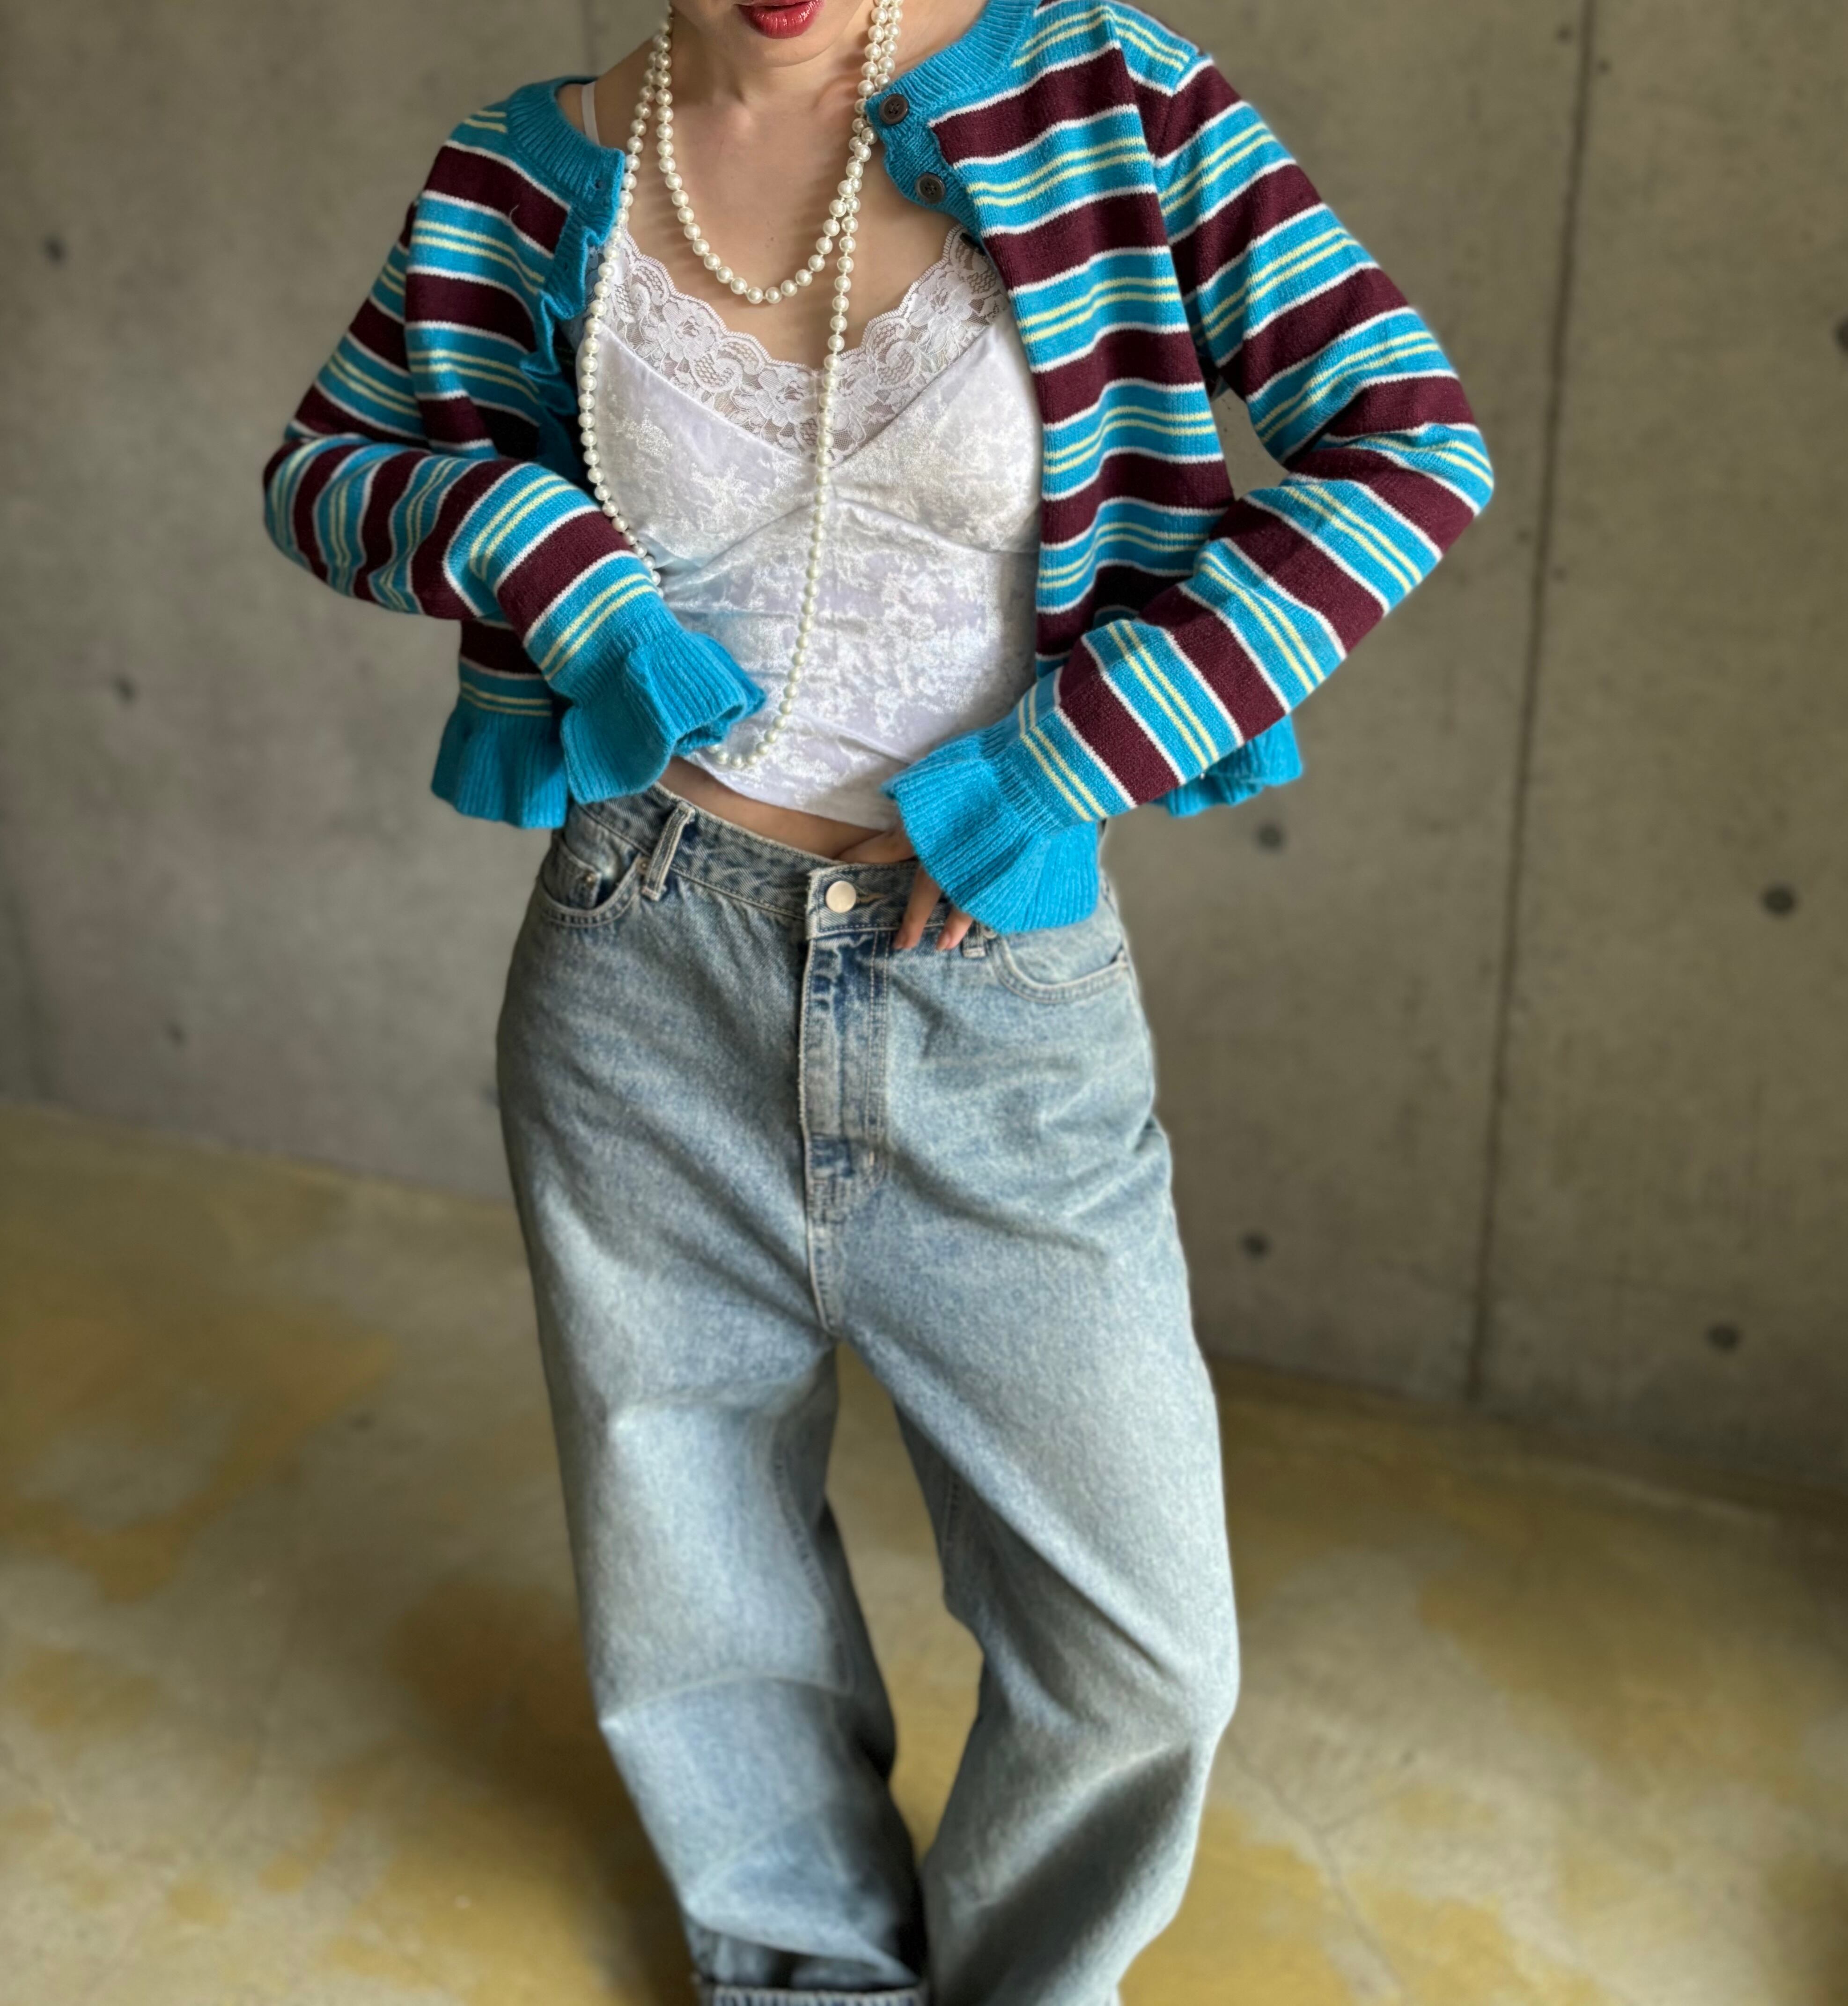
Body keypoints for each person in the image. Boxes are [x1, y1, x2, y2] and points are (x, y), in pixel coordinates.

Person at [262, 0, 1493, 1997]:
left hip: (992, 994)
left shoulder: (1115, 99)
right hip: (640, 956)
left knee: (1140, 1652)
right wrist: (541, 554)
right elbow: (324, 470)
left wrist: (1069, 758)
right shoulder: (518, 171)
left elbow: (1412, 443)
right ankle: (800, 1971)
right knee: (696, 1586)